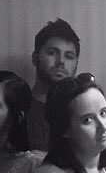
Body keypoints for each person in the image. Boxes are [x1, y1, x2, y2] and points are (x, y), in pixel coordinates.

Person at [25, 18, 81, 153]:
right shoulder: (17, 110)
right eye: (52, 53)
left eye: (69, 56)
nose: (61, 61)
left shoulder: (82, 110)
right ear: (35, 58)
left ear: (76, 64)